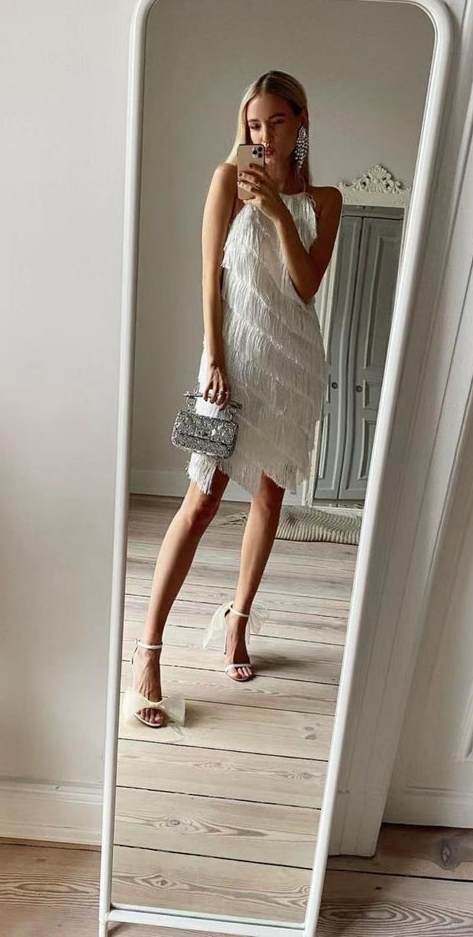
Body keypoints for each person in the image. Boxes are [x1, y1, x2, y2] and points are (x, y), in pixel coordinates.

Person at [125, 70, 343, 727]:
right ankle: (148, 650)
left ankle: (238, 621)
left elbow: (305, 287)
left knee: (270, 497)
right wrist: (214, 357)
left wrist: (277, 212)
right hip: (229, 362)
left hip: (292, 368)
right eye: (253, 124)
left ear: (301, 122)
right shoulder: (226, 182)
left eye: (276, 121)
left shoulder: (325, 200)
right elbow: (209, 279)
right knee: (201, 499)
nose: (264, 135)